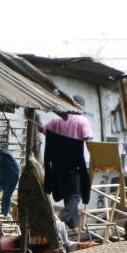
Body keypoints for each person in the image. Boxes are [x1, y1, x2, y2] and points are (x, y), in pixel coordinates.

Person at [42, 95, 92, 230]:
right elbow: (89, 143)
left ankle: (73, 227)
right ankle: (59, 220)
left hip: (57, 166)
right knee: (76, 194)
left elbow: (43, 129)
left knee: (67, 195)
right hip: (74, 166)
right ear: (80, 107)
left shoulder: (55, 120)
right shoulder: (82, 121)